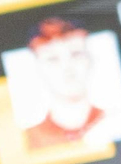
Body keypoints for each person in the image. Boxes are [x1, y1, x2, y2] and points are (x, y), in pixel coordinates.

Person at [21, 18, 106, 150]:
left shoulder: (114, 122)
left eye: (76, 54)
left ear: (90, 59)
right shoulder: (28, 141)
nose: (67, 69)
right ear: (38, 67)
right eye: (53, 59)